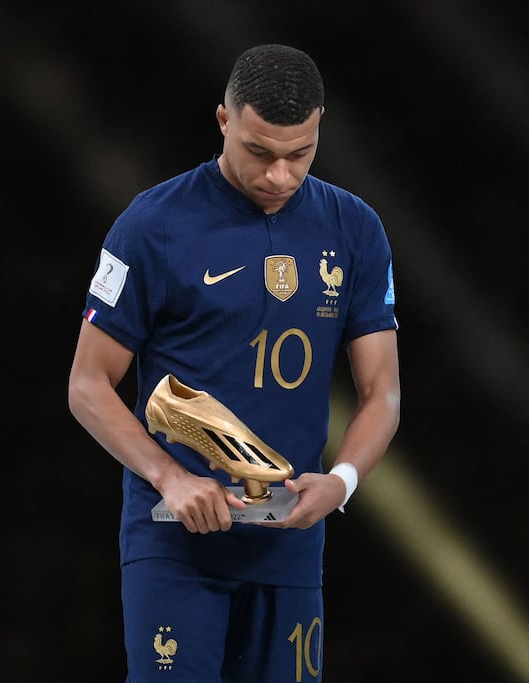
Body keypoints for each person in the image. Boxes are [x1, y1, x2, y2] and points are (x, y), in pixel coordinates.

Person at [67, 44, 400, 682]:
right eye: (259, 152)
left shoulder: (355, 229)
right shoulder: (151, 225)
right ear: (224, 120)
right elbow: (87, 384)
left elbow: (381, 391)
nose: (279, 175)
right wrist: (170, 479)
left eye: (299, 154)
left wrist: (342, 482)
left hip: (291, 548)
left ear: (320, 128)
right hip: (176, 544)